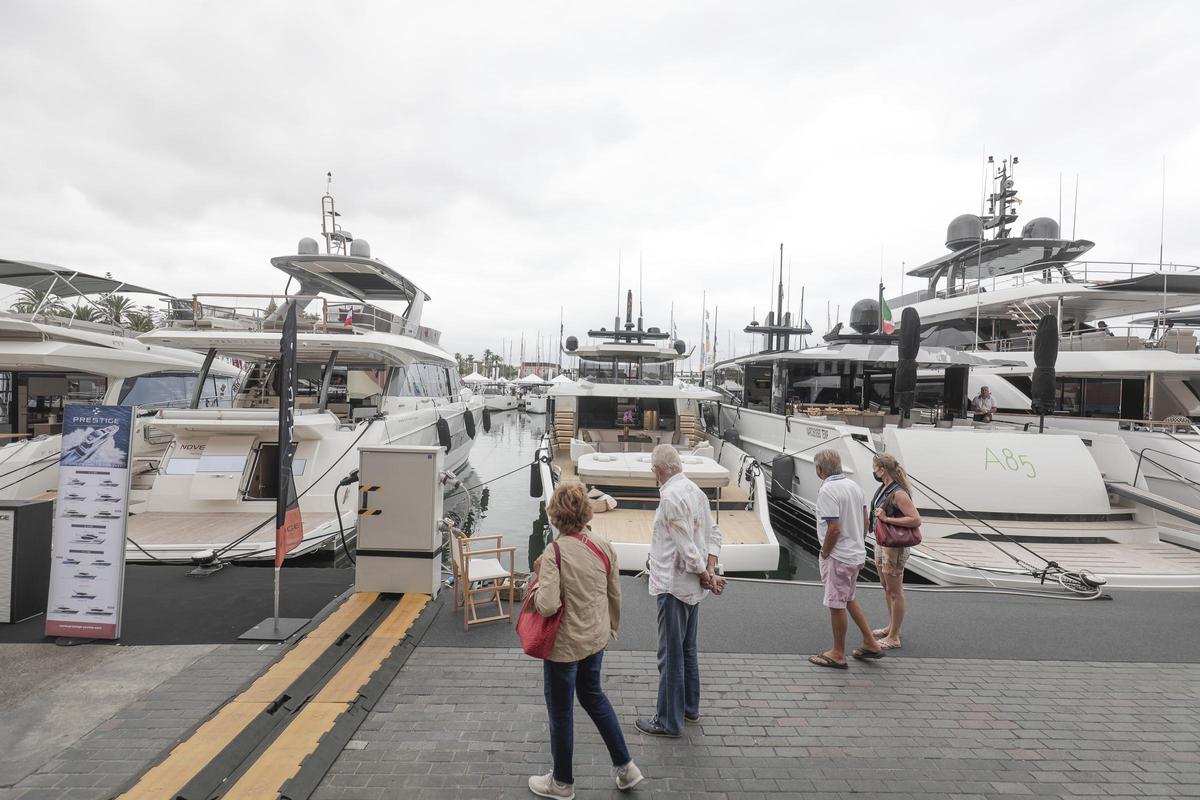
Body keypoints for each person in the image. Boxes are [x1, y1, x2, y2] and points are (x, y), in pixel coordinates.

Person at [529, 482, 643, 798]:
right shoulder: (604, 545)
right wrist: (611, 629)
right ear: (585, 512)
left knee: (561, 712)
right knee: (593, 696)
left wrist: (537, 581)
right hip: (595, 638)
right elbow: (613, 593)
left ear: (555, 516)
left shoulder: (555, 552)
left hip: (564, 645)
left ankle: (562, 782)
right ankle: (626, 767)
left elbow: (548, 605)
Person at [635, 444, 725, 737]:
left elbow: (685, 547)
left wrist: (704, 574)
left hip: (673, 585)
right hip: (693, 587)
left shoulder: (670, 498)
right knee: (688, 650)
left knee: (670, 654)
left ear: (657, 470)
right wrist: (709, 570)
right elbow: (713, 533)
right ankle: (689, 708)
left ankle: (668, 721)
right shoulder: (695, 491)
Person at [809, 449, 884, 669]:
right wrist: (856, 544)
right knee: (849, 598)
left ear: (819, 469)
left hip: (838, 556)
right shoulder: (855, 487)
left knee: (836, 603)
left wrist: (825, 552)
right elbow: (865, 523)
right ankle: (871, 642)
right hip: (856, 555)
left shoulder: (828, 491)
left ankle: (838, 653)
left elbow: (833, 529)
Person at [869, 453, 922, 650]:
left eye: (875, 467)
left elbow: (915, 519)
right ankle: (892, 627)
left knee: (895, 591)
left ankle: (894, 637)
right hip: (883, 543)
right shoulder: (883, 488)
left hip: (895, 547)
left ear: (882, 469)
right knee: (886, 586)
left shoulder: (898, 493)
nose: (873, 471)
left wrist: (887, 519)